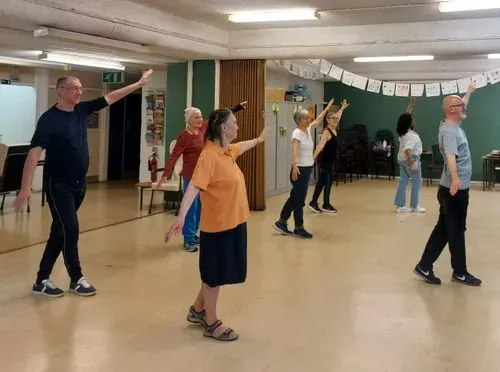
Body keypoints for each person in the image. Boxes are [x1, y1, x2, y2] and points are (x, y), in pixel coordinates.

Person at [13, 69, 154, 298]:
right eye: (74, 88)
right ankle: (76, 278)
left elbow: (111, 97)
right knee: (71, 229)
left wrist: (138, 84)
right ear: (60, 91)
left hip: (79, 185)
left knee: (60, 232)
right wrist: (25, 187)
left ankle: (41, 280)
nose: (79, 91)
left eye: (80, 88)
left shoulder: (82, 110)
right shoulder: (49, 120)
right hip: (58, 185)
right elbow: (33, 155)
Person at [165, 108, 268, 341]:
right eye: (235, 123)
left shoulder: (226, 151)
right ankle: (211, 323)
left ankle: (197, 310)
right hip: (218, 227)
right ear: (223, 127)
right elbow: (194, 186)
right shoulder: (209, 156)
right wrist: (181, 217)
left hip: (235, 222)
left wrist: (260, 139)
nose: (238, 127)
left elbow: (242, 145)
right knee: (213, 277)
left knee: (217, 273)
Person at [414, 84, 481, 286]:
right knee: (456, 231)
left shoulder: (453, 125)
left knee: (444, 229)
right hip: (454, 189)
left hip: (453, 188)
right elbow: (451, 156)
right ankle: (460, 272)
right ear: (452, 109)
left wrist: (468, 93)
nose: (464, 107)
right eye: (461, 105)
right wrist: (455, 179)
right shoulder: (450, 131)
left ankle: (424, 266)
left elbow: (461, 103)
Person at [158, 102, 247, 252]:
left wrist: (236, 108)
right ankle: (188, 239)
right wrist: (165, 175)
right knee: (191, 208)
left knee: (200, 208)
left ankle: (193, 234)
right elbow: (174, 156)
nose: (200, 120)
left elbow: (219, 117)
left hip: (206, 177)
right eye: (196, 117)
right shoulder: (184, 136)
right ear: (188, 120)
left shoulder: (203, 129)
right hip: (191, 176)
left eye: (200, 117)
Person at [273, 99, 334, 239]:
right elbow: (294, 149)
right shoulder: (297, 133)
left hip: (307, 169)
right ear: (299, 120)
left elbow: (318, 119)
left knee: (295, 197)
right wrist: (294, 165)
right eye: (306, 118)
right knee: (299, 201)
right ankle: (299, 228)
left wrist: (328, 107)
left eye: (308, 117)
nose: (309, 119)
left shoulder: (307, 129)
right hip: (299, 170)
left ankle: (281, 222)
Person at [309, 99, 349, 214]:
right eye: (333, 119)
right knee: (327, 183)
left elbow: (338, 116)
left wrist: (342, 109)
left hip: (331, 161)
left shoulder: (333, 128)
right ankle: (326, 204)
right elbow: (319, 147)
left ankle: (313, 202)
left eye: (336, 119)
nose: (336, 120)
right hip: (326, 162)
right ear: (327, 120)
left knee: (321, 182)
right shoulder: (327, 132)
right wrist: (312, 159)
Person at [393, 97, 426, 213]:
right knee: (417, 181)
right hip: (410, 160)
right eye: (413, 119)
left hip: (401, 159)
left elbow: (406, 115)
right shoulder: (411, 135)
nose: (414, 120)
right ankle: (414, 205)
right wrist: (412, 161)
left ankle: (400, 206)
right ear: (409, 123)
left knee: (403, 181)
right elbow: (408, 149)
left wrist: (411, 104)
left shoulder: (403, 131)